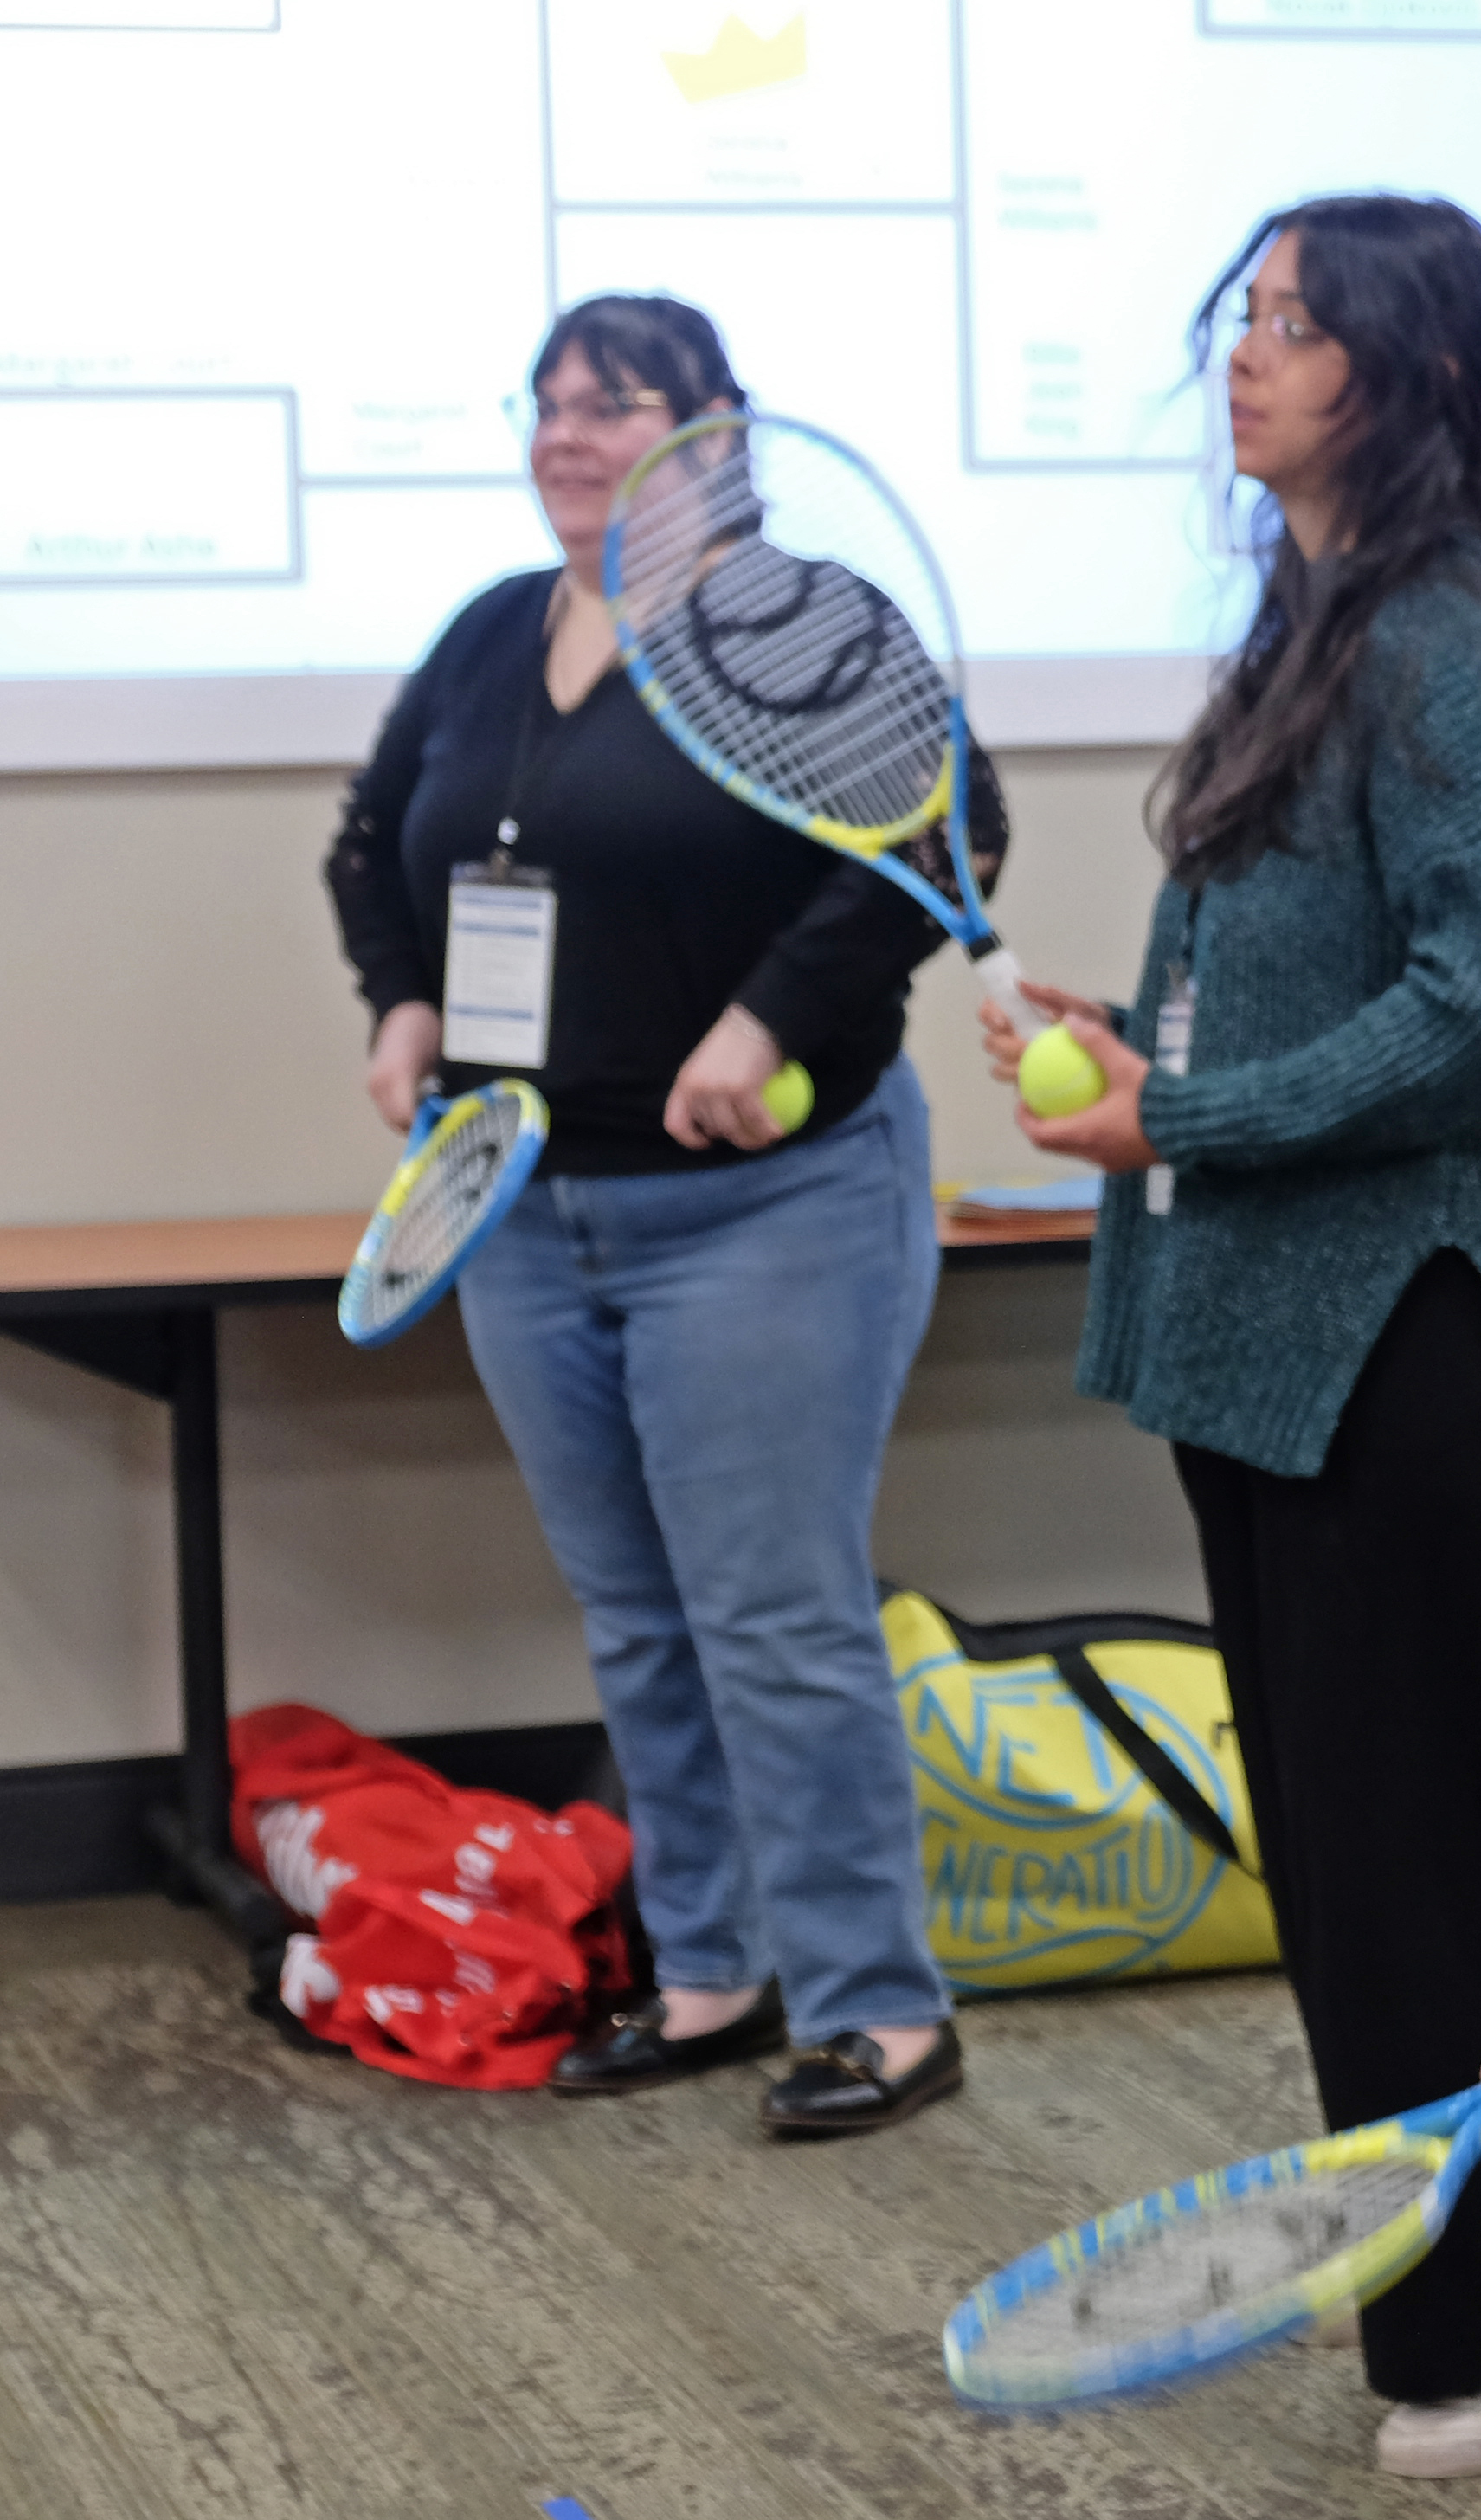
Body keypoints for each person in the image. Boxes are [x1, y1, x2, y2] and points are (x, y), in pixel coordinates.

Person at [988, 195, 1481, 2478]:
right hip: (1313, 1364)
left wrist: (1176, 1115)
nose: (1245, 355)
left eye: (1293, 321)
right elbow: (1333, 977)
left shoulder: (1452, 638)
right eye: (1243, 316)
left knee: (1445, 1882)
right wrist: (1140, 1044)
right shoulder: (1324, 620)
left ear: (1413, 366)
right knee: (1380, 1887)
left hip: (1431, 1360)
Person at [326, 294, 989, 2137]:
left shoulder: (800, 622)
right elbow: (370, 845)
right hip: (525, 1211)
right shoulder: (492, 633)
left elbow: (945, 841)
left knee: (774, 1615)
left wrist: (766, 1021)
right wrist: (402, 1002)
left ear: (717, 429)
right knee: (635, 1619)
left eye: (614, 405)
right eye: (547, 404)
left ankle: (878, 2009)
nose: (569, 435)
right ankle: (709, 1973)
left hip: (767, 1210)